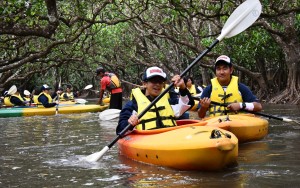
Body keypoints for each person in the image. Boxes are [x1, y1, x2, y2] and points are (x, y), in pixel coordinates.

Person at [116, 66, 195, 135]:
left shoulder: (169, 101)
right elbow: (120, 130)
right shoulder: (133, 105)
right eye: (154, 81)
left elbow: (189, 103)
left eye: (160, 82)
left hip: (170, 138)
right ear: (144, 83)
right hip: (147, 142)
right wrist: (130, 123)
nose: (157, 84)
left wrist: (183, 88)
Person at [197, 55, 262, 118]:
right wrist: (203, 107)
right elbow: (200, 115)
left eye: (225, 68)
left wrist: (240, 105)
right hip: (216, 125)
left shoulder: (241, 88)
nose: (221, 72)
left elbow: (258, 106)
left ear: (231, 70)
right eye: (218, 69)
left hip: (237, 124)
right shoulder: (208, 90)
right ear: (215, 71)